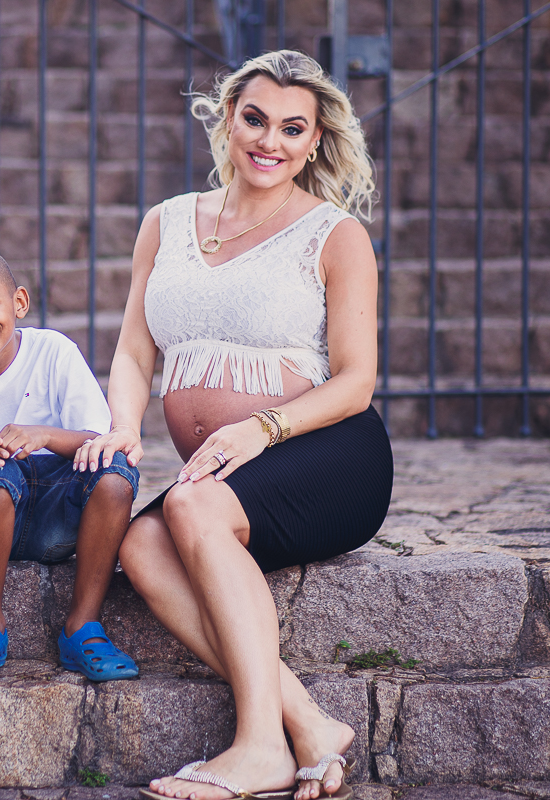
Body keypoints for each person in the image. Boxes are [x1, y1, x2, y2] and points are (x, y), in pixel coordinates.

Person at [75, 50, 393, 800]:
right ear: (228, 117)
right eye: (255, 118)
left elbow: (357, 382)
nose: (269, 141)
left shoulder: (333, 234)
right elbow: (132, 348)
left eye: (292, 128)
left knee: (186, 506)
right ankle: (310, 723)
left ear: (314, 141)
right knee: (143, 544)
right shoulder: (168, 223)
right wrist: (124, 424)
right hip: (226, 476)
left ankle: (259, 747)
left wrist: (266, 428)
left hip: (327, 453)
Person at [0, 249, 141, 682]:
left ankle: (83, 624)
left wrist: (43, 435)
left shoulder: (53, 351)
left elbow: (99, 440)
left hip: (61, 522)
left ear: (18, 303)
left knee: (116, 473)